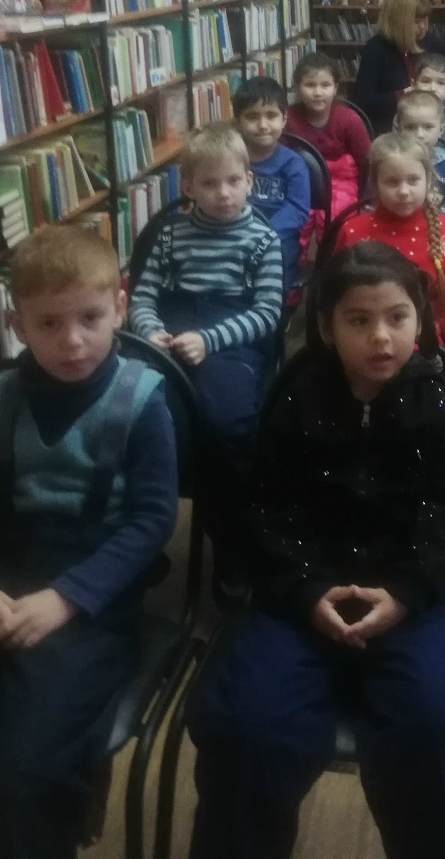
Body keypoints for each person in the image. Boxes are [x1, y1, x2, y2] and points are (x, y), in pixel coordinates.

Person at [186, 242, 445, 859]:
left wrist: (403, 595)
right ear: (326, 327)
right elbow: (267, 508)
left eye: (397, 317)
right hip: (299, 597)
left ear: (419, 319)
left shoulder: (441, 401)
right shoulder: (296, 395)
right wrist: (306, 592)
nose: (381, 336)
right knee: (247, 725)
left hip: (408, 599)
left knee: (440, 720)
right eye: (358, 320)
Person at [0, 225, 178, 859]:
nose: (72, 340)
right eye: (49, 323)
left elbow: (150, 521)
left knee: (20, 772)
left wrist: (67, 598)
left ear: (120, 304)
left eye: (89, 318)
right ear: (17, 324)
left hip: (90, 599)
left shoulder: (141, 401)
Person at [127, 123, 284, 571]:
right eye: (210, 184)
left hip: (232, 337)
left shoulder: (263, 240)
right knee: (131, 413)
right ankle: (137, 536)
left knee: (225, 424)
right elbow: (142, 297)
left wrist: (209, 340)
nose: (224, 193)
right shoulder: (171, 234)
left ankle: (232, 540)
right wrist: (149, 331)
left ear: (249, 181)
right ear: (189, 187)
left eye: (233, 181)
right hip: (169, 331)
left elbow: (268, 313)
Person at [333, 132, 445, 369]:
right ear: (375, 184)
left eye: (413, 180)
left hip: (425, 354)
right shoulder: (352, 232)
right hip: (363, 350)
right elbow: (335, 303)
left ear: (428, 181)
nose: (403, 191)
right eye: (392, 182)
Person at [353, 0, 445, 132]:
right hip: (392, 129)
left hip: (425, 125)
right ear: (398, 21)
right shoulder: (375, 49)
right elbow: (363, 103)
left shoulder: (423, 39)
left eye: (424, 20)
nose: (422, 26)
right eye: (416, 21)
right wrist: (405, 93)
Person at [233, 74, 312, 288]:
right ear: (238, 122)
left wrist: (265, 233)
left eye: (271, 116)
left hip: (279, 237)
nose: (263, 125)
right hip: (235, 231)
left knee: (275, 264)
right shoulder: (231, 160)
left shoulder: (294, 163)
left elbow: (297, 208)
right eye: (252, 117)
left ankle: (275, 304)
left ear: (284, 119)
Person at [285, 53, 371, 215]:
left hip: (342, 186)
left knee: (336, 215)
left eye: (325, 85)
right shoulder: (286, 119)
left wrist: (366, 202)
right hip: (299, 184)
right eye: (310, 85)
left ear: (335, 88)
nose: (318, 92)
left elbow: (368, 165)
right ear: (297, 88)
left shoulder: (349, 119)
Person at [395, 89, 445, 230]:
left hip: (435, 237)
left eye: (428, 127)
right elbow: (371, 207)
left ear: (441, 130)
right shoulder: (387, 164)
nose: (419, 134)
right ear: (399, 129)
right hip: (391, 235)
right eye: (410, 127)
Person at [408, 52, 445, 161]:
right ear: (413, 85)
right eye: (426, 81)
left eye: (440, 83)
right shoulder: (402, 116)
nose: (433, 88)